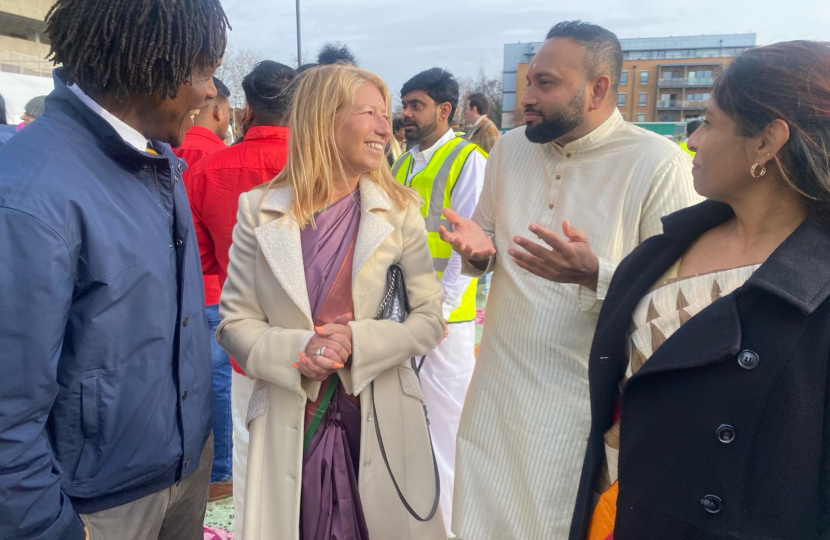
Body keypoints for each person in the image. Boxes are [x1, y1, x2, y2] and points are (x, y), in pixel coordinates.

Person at [441, 21, 701, 539]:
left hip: (581, 399)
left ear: (599, 88)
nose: (527, 98)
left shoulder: (659, 165)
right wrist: (477, 254)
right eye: (529, 81)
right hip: (495, 385)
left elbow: (682, 300)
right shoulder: (512, 149)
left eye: (546, 83)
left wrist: (596, 275)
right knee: (479, 518)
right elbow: (489, 243)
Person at [571, 40, 830, 540]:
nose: (692, 140)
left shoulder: (816, 289)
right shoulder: (664, 249)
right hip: (619, 515)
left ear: (767, 142)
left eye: (709, 123)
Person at [0, 0, 228, 539]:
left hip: (181, 470)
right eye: (203, 69)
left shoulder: (157, 160)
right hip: (96, 505)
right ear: (150, 63)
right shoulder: (30, 194)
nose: (210, 91)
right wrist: (46, 528)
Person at [215, 63, 446, 540]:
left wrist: (359, 342)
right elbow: (234, 323)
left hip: (379, 415)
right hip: (291, 416)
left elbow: (428, 320)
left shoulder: (400, 209)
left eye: (388, 114)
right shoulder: (259, 209)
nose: (388, 126)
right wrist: (303, 350)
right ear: (323, 118)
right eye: (370, 113)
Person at [186, 59, 295, 536]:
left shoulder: (207, 169)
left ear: (248, 108)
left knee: (251, 445)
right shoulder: (325, 165)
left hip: (244, 335)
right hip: (319, 338)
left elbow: (204, 258)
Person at [392, 67, 487, 538]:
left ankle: (452, 528)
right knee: (409, 424)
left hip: (445, 323)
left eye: (416, 105)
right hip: (404, 314)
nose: (405, 114)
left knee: (447, 431)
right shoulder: (404, 161)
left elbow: (463, 244)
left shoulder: (467, 159)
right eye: (404, 105)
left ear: (444, 110)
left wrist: (441, 313)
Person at [170, 74, 234, 503]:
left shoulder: (166, 151)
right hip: (218, 288)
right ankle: (221, 472)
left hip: (178, 289)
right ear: (219, 110)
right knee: (221, 384)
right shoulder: (221, 158)